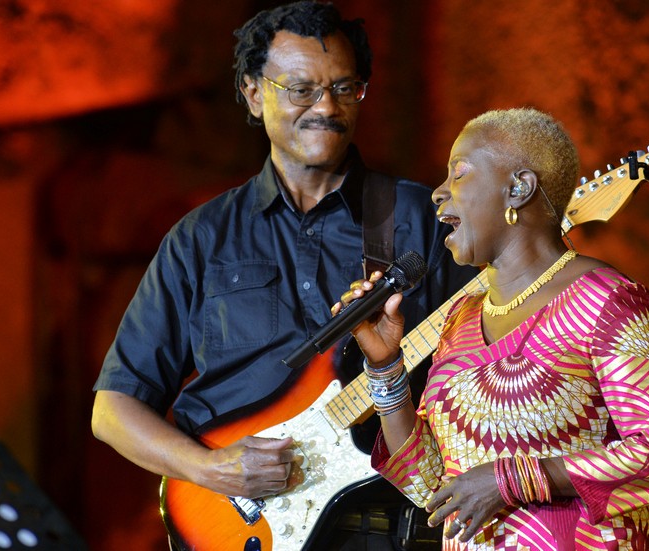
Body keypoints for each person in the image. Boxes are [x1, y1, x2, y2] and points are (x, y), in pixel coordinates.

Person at [91, 2, 477, 550]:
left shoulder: (423, 219)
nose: (327, 107)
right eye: (302, 90)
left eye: (346, 88)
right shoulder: (200, 238)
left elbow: (490, 365)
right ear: (253, 93)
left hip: (391, 529)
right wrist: (212, 470)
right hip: (241, 527)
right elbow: (113, 411)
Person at [337, 107, 649, 550]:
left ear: (518, 188)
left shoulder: (608, 300)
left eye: (460, 174)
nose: (437, 192)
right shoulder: (460, 319)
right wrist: (386, 366)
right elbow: (433, 486)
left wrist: (517, 479)